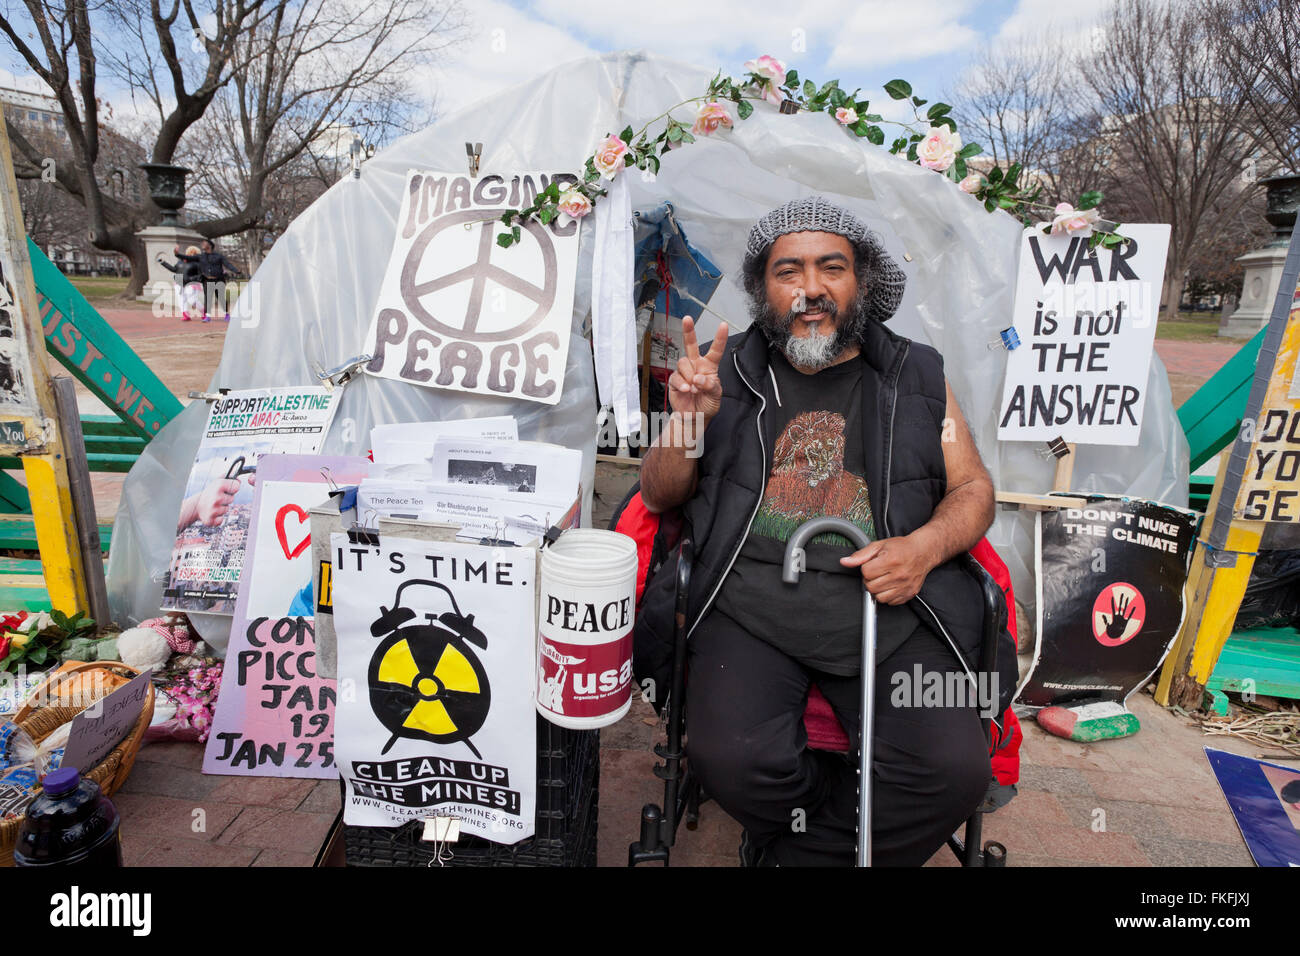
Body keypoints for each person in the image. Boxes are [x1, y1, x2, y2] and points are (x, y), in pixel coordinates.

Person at [633, 196, 1016, 867]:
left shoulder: (917, 375)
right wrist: (689, 417)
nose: (810, 288)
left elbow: (973, 488)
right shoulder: (724, 370)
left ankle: (794, 853)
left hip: (893, 608)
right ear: (762, 289)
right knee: (733, 761)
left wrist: (922, 549)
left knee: (954, 773)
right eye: (789, 271)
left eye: (830, 267)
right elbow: (660, 495)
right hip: (749, 605)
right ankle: (829, 822)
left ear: (860, 281)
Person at [174, 239, 244, 322]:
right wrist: (177, 254)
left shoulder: (219, 256)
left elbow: (228, 264)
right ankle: (207, 316)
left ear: (210, 245)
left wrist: (236, 270)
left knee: (221, 298)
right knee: (208, 298)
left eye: (204, 243)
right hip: (207, 280)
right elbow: (187, 257)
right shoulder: (200, 256)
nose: (202, 244)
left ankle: (227, 314)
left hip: (219, 280)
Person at [157, 246, 204, 321]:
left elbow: (201, 274)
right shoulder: (180, 261)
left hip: (191, 283)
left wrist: (192, 279)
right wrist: (163, 262)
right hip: (179, 283)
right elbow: (174, 269)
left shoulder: (198, 263)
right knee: (181, 299)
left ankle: (203, 312)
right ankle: (186, 315)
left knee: (192, 300)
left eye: (194, 253)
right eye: (190, 252)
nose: (192, 254)